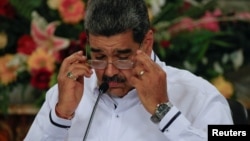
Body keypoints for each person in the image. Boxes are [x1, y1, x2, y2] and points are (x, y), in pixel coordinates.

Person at [24, 0, 233, 140]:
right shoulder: (68, 94)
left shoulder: (200, 96)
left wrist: (165, 112)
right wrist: (60, 116)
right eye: (98, 57)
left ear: (147, 43)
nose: (109, 72)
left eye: (123, 58)